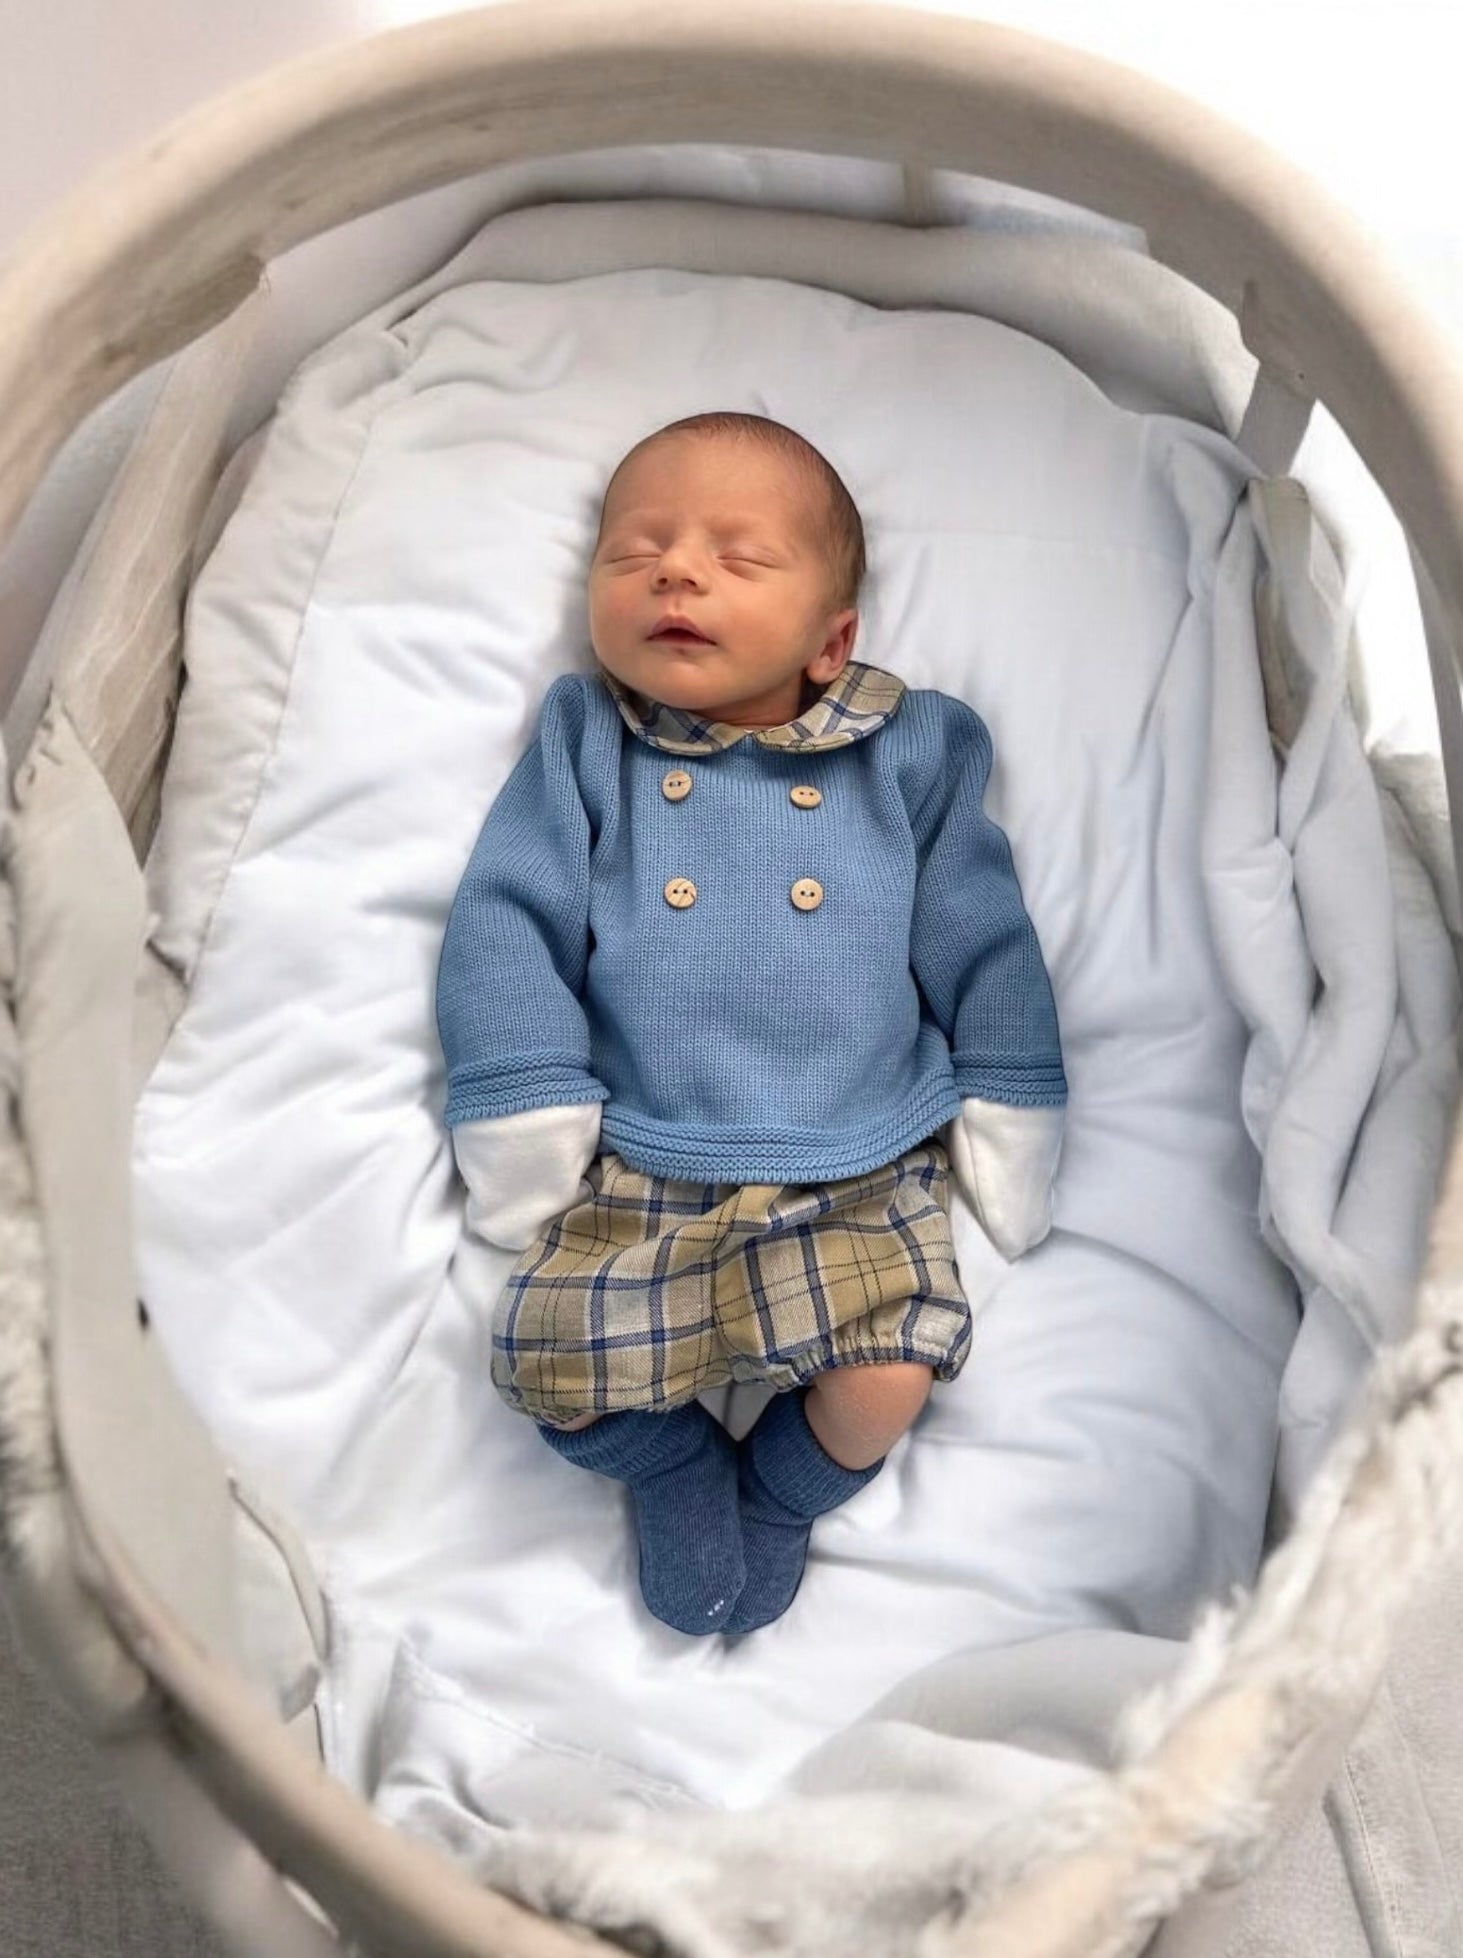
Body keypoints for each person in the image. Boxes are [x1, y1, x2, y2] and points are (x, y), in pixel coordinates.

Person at [435, 411, 1066, 1637]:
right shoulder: (586, 743)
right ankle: (670, 1461)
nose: (675, 570)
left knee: (888, 1376)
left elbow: (980, 928)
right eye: (637, 551)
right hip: (645, 1160)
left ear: (831, 641)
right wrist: (519, 1095)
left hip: (855, 1160)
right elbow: (506, 914)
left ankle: (779, 1489)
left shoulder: (909, 754)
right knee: (556, 1377)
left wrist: (1009, 1085)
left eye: (737, 554)